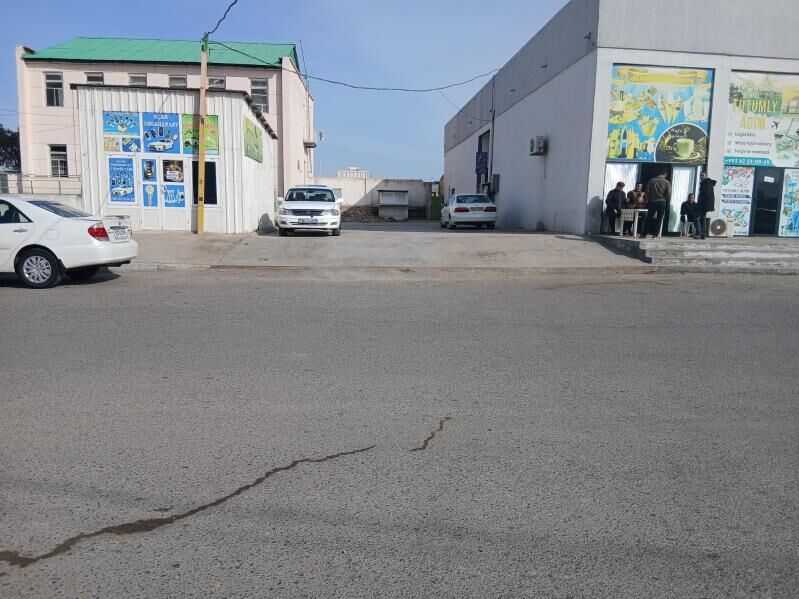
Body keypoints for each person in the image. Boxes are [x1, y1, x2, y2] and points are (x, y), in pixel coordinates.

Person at [641, 170, 671, 239]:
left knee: (648, 218)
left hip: (652, 201)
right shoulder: (666, 182)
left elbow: (647, 191)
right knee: (659, 219)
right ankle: (655, 235)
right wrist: (666, 200)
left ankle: (644, 234)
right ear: (665, 174)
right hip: (662, 202)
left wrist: (647, 200)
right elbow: (668, 194)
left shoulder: (652, 181)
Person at [697, 171, 717, 239]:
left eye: (703, 175)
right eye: (700, 175)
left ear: (706, 176)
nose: (701, 176)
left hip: (703, 204)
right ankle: (703, 234)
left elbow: (707, 194)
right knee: (702, 219)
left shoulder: (706, 183)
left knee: (697, 218)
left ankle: (699, 233)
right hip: (704, 204)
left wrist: (703, 203)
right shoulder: (706, 182)